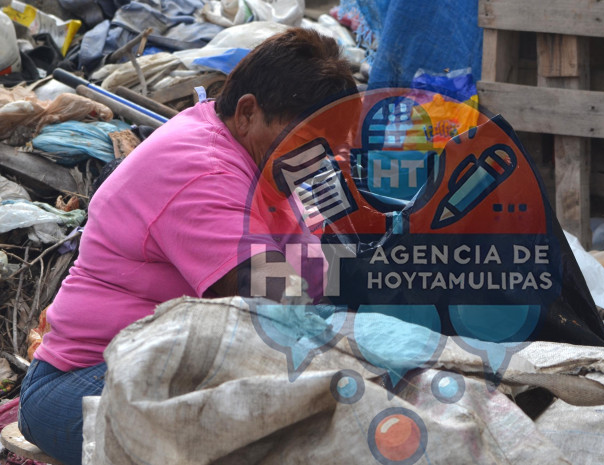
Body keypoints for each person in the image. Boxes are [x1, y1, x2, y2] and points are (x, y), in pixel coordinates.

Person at [18, 28, 356, 465]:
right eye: (307, 143)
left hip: (164, 364)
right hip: (82, 384)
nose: (315, 163)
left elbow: (317, 263)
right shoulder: (202, 172)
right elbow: (273, 294)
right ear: (249, 111)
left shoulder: (263, 157)